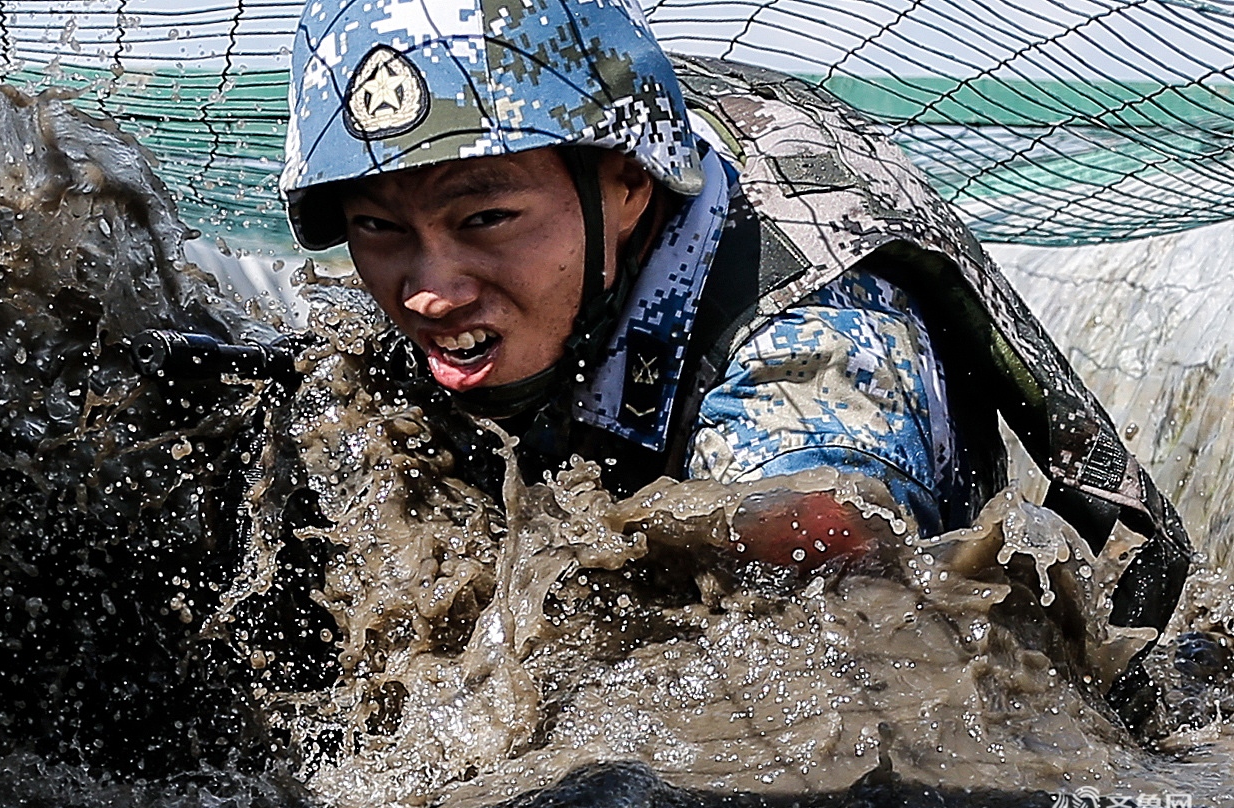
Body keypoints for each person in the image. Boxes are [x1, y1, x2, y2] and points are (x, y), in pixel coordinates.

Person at [280, 0, 1192, 729]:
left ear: (630, 187)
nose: (428, 291)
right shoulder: (557, 184)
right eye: (377, 228)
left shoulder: (818, 348)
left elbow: (842, 575)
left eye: (484, 221)